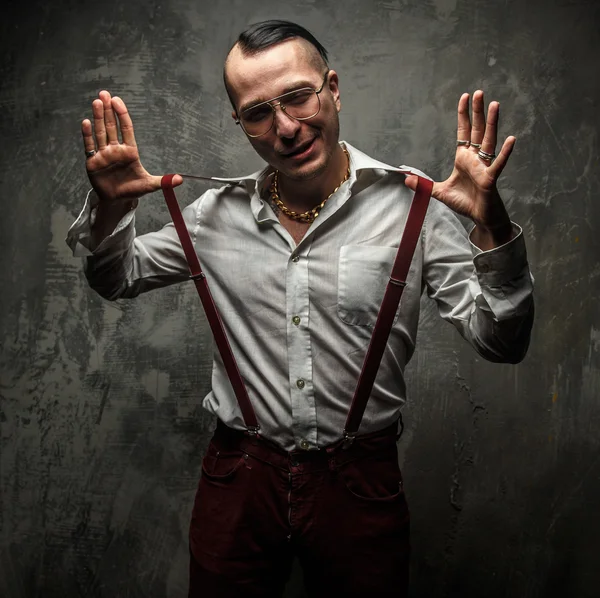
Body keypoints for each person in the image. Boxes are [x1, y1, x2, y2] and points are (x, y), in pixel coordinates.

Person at [66, 19, 534, 598]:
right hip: (238, 478)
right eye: (258, 112)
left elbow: (502, 342)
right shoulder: (214, 217)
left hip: (361, 481)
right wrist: (110, 209)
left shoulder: (415, 206)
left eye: (298, 96)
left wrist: (492, 224)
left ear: (332, 88)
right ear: (240, 124)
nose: (286, 127)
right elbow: (115, 278)